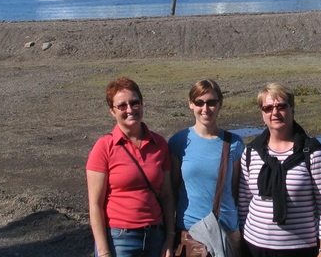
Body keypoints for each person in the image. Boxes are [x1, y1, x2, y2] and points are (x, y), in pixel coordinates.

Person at [238, 83, 321, 257]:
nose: (275, 112)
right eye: (268, 108)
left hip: (300, 248)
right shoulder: (251, 152)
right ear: (262, 114)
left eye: (281, 106)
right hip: (254, 246)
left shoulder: (312, 153)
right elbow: (244, 203)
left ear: (292, 108)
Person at [86, 78, 175, 257]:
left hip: (155, 236)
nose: (130, 110)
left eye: (134, 103)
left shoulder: (159, 144)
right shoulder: (104, 147)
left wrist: (169, 238)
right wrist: (103, 251)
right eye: (122, 106)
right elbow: (95, 204)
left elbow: (166, 195)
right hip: (119, 239)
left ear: (142, 104)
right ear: (112, 111)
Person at [168, 79, 245, 256]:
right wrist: (170, 236)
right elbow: (172, 190)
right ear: (190, 104)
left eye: (211, 102)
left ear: (220, 104)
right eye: (199, 103)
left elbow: (235, 191)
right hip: (190, 233)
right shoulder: (178, 142)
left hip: (226, 232)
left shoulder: (234, 143)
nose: (205, 108)